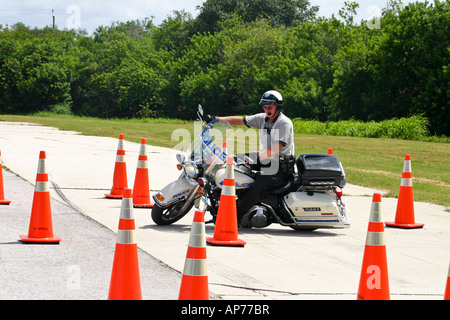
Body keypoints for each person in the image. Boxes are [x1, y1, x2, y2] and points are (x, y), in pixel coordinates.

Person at [205, 90, 295, 226]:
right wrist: (216, 119)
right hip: (267, 161)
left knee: (257, 185)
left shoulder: (284, 123)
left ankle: (235, 218)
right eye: (265, 107)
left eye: (269, 107)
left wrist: (253, 159)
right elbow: (240, 120)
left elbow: (276, 148)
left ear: (277, 106)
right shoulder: (263, 119)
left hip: (280, 167)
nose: (267, 110)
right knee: (233, 162)